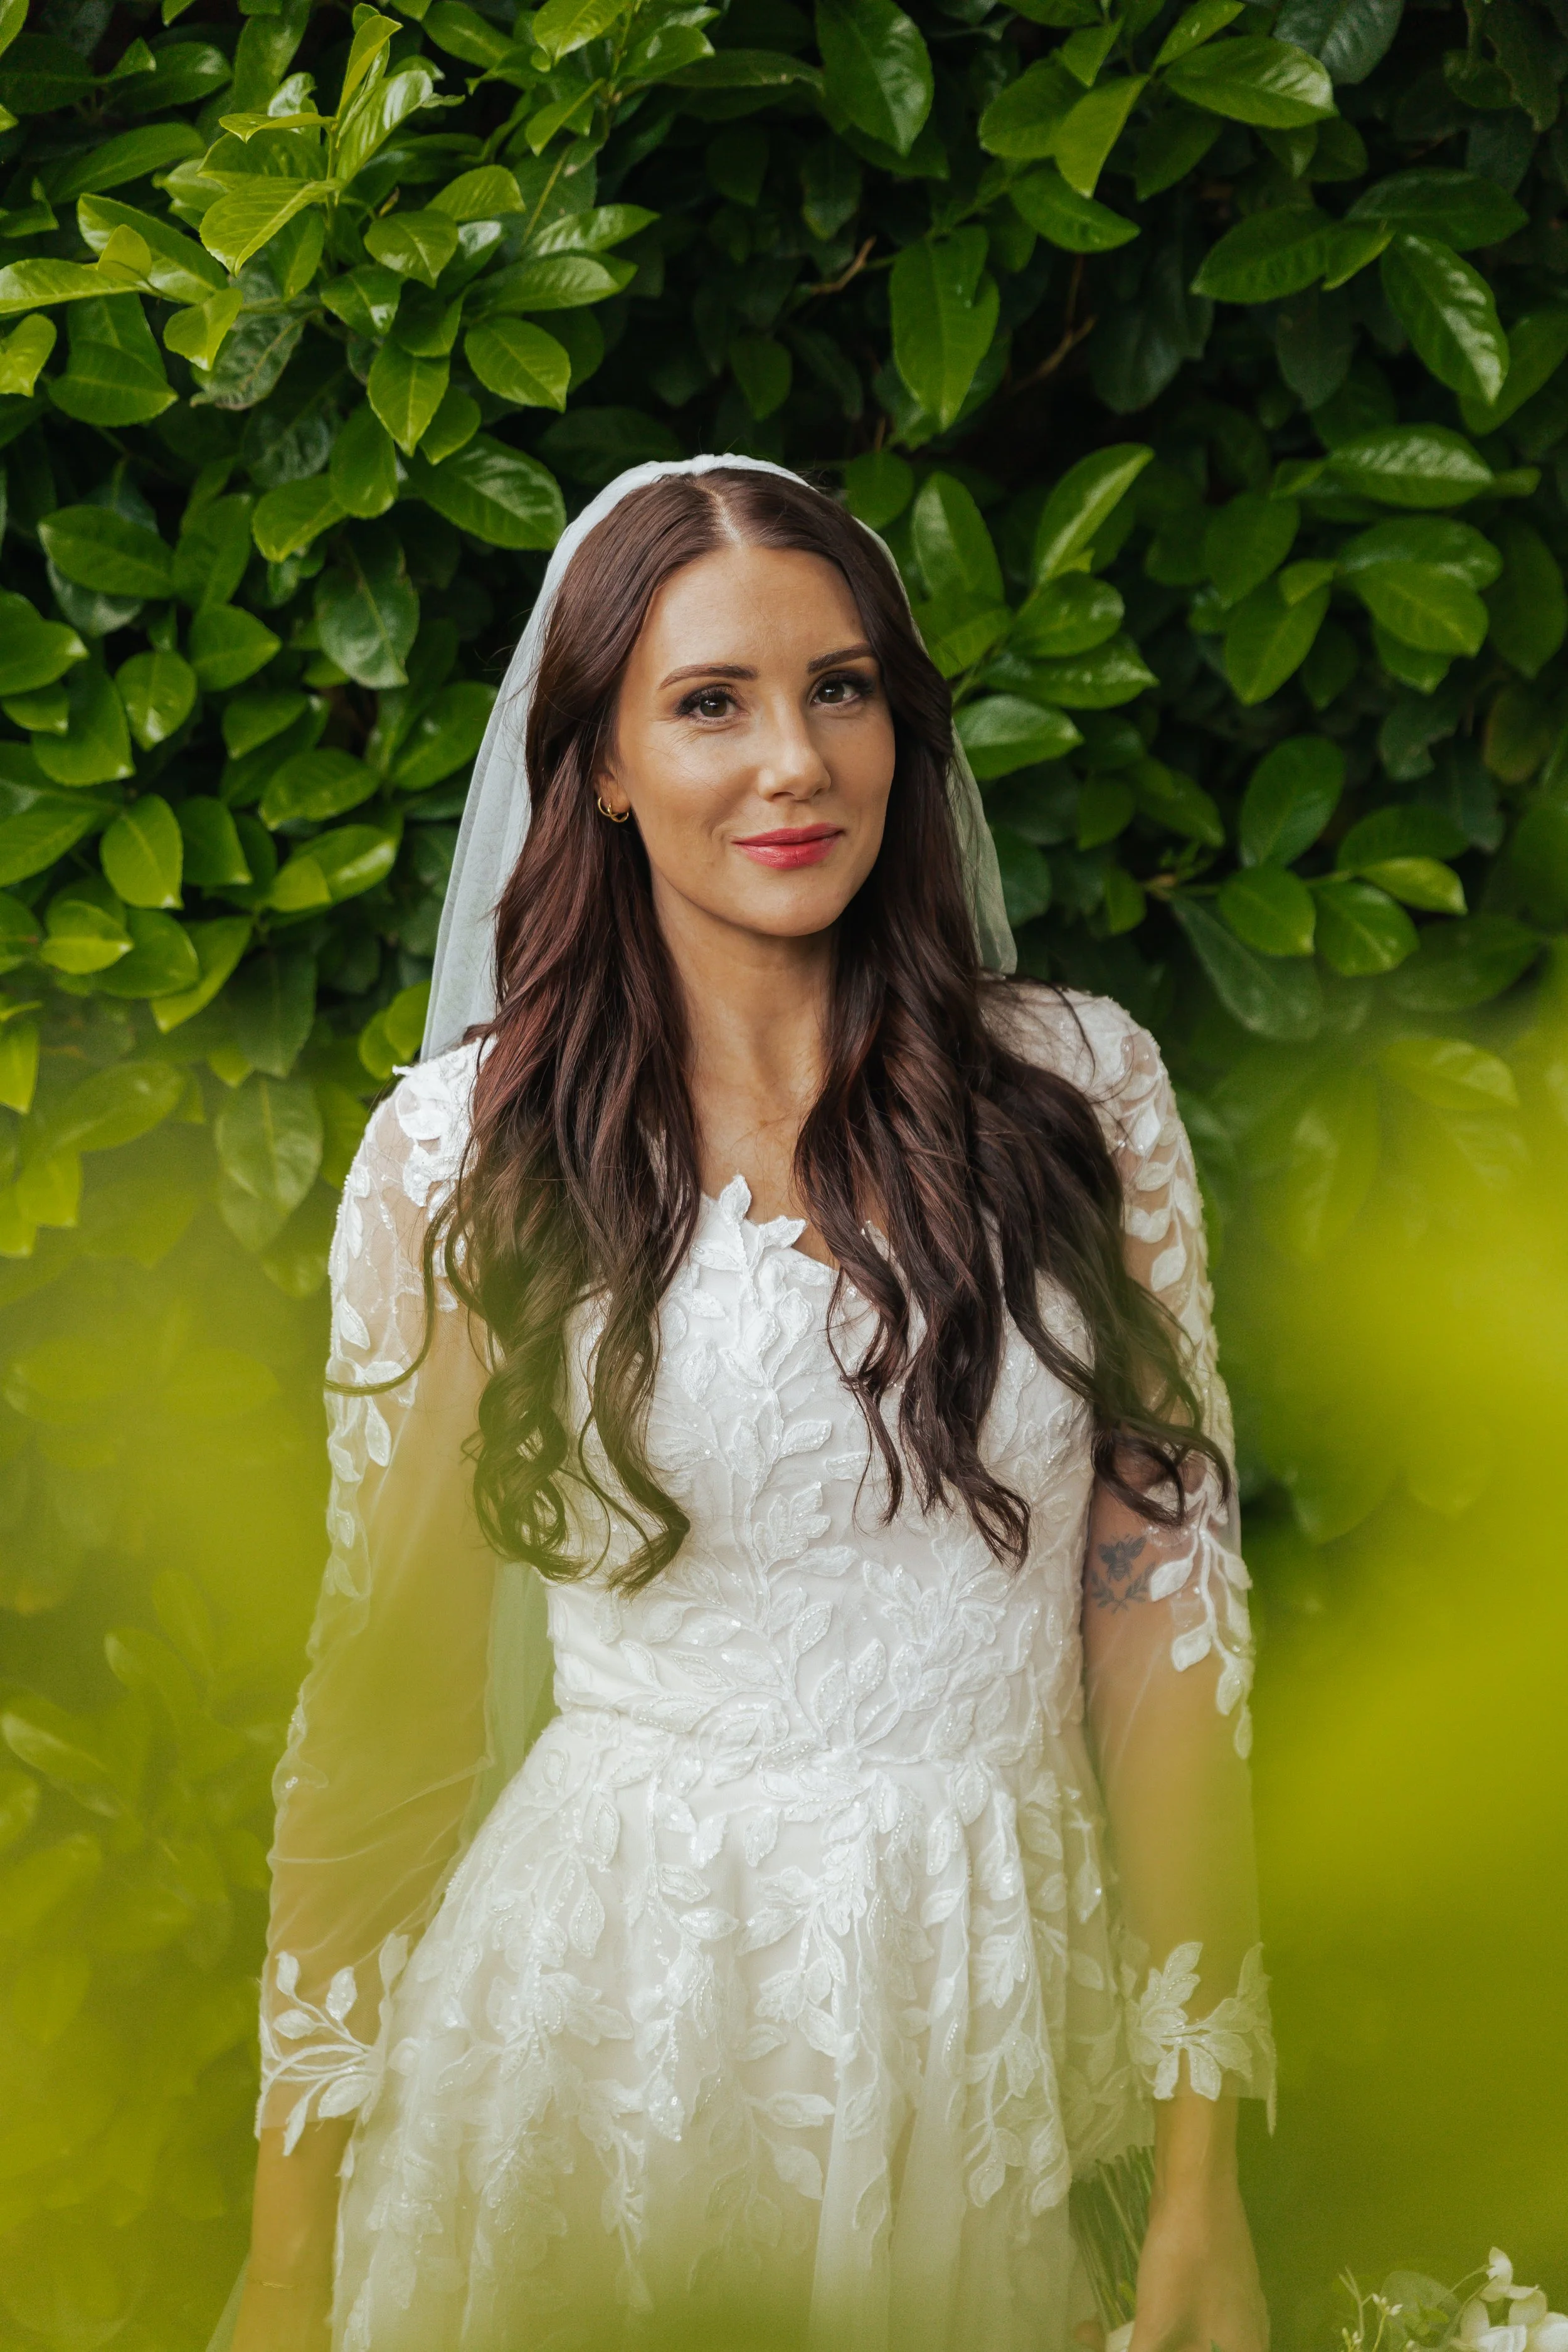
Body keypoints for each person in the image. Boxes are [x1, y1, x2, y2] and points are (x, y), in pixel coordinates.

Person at [227, 457, 1275, 2352]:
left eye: (839, 688)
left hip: (992, 2017)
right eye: (710, 702)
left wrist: (1202, 2167)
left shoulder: (1083, 1097)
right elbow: (382, 1707)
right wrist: (293, 2254)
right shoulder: (467, 1158)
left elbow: (1171, 1641)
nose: (795, 760)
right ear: (603, 766)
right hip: (607, 2029)